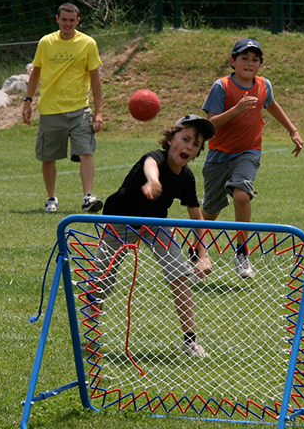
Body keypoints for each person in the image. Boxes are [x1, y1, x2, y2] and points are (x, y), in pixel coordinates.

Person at [89, 115, 215, 357]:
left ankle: (190, 341)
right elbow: (150, 165)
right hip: (120, 221)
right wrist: (153, 181)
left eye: (196, 144)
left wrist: (203, 254)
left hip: (155, 225)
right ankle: (89, 330)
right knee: (102, 281)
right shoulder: (155, 157)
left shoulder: (187, 177)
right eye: (185, 139)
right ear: (170, 139)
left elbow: (196, 217)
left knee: (179, 274)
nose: (189, 146)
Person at [200, 38, 304, 279]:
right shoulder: (221, 86)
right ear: (232, 61)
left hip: (248, 151)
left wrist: (292, 129)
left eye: (255, 59)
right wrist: (236, 110)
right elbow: (208, 124)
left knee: (242, 194)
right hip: (218, 155)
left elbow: (272, 105)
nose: (250, 63)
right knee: (210, 211)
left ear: (260, 64)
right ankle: (196, 250)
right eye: (244, 58)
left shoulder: (263, 85)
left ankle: (242, 252)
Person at [22, 3, 105, 213]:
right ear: (57, 19)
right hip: (50, 110)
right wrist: (27, 100)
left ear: (78, 21)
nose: (67, 24)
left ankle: (88, 197)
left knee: (86, 152)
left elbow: (95, 79)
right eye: (64, 19)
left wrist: (99, 111)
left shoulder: (87, 43)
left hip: (79, 110)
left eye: (72, 20)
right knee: (48, 157)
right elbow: (36, 72)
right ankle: (51, 199)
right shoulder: (46, 42)